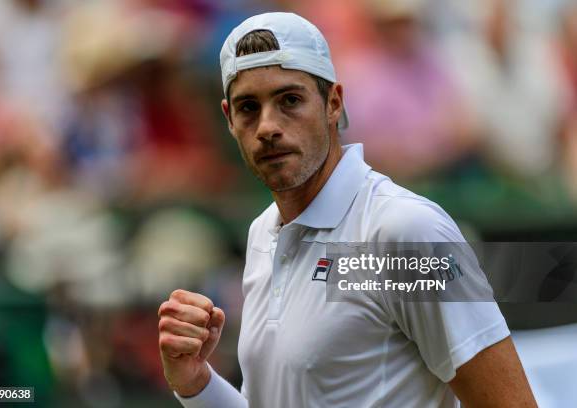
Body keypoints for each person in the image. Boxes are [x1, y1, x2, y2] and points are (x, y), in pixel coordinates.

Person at [157, 12, 537, 407]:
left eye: (290, 100)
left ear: (333, 103)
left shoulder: (405, 231)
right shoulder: (262, 233)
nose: (268, 126)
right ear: (229, 120)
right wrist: (196, 383)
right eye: (249, 107)